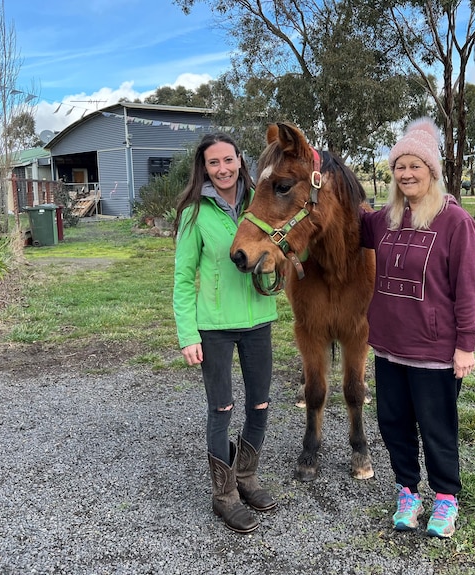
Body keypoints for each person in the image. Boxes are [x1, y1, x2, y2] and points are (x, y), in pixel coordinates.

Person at [360, 118, 475, 539]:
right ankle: (407, 491)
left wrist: (465, 345)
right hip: (388, 346)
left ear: (432, 171)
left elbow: (468, 290)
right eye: (399, 167)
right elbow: (339, 226)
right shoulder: (384, 219)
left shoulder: (455, 222)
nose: (407, 174)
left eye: (416, 166)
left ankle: (446, 498)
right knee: (393, 422)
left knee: (436, 427)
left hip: (434, 349)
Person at [172, 133, 278, 533]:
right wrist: (188, 335)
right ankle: (225, 495)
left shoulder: (260, 203)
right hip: (214, 326)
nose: (222, 169)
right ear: (205, 168)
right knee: (221, 410)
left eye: (228, 160)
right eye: (213, 163)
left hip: (258, 321)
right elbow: (183, 280)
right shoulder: (194, 214)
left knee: (260, 406)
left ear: (240, 161)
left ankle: (247, 478)